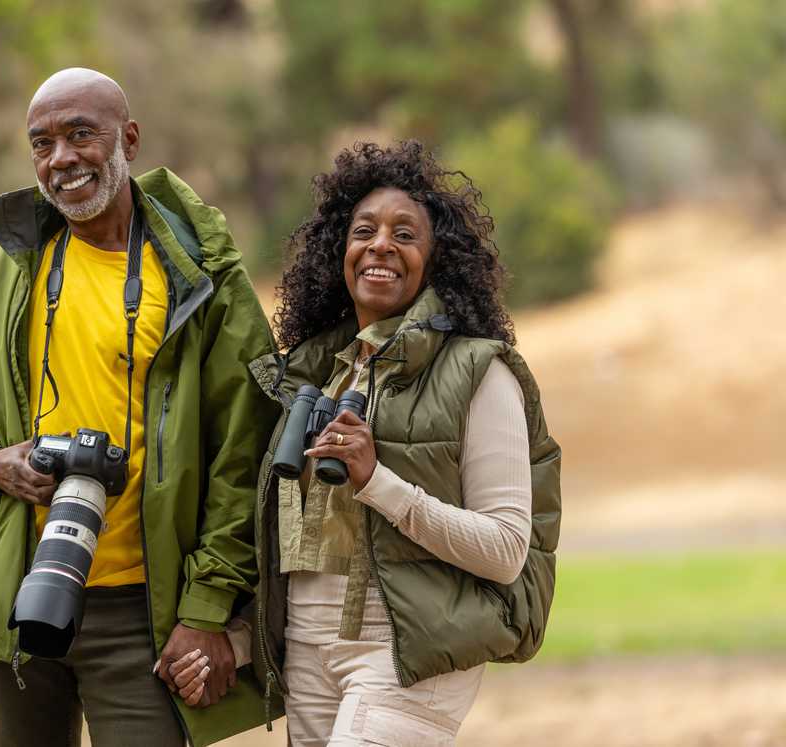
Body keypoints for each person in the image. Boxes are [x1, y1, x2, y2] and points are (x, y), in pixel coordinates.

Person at [0, 67, 279, 747]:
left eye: (80, 134)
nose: (62, 159)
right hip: (25, 597)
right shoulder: (5, 272)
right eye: (43, 143)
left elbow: (245, 456)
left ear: (130, 139)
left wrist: (206, 608)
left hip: (144, 610)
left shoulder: (201, 277)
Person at [241, 140, 563, 745]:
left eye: (405, 234)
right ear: (340, 250)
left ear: (438, 260)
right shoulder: (312, 372)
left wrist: (376, 482)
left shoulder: (479, 371)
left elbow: (506, 550)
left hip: (406, 651)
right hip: (307, 654)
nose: (380, 245)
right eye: (363, 230)